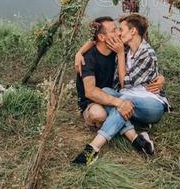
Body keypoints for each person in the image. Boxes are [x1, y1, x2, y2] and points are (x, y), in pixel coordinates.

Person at [72, 13, 170, 165]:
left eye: (120, 29)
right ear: (103, 38)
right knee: (106, 102)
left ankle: (93, 148)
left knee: (116, 99)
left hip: (141, 101)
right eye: (114, 30)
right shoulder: (101, 54)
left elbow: (132, 78)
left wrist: (160, 77)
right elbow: (94, 40)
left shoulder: (121, 50)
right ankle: (136, 139)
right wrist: (79, 52)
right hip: (108, 99)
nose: (118, 32)